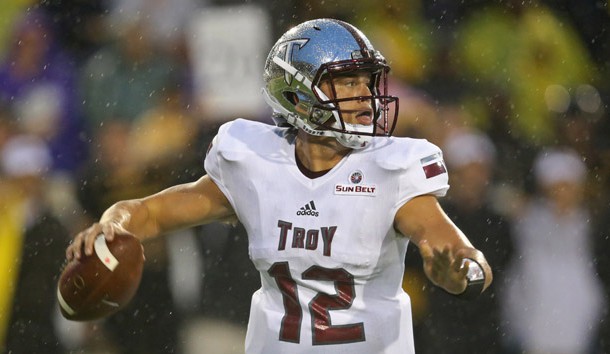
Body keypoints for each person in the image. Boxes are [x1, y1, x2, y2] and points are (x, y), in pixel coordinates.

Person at [66, 18, 493, 354]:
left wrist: (458, 273)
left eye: (367, 81)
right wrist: (112, 225)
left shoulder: (391, 168)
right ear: (296, 95)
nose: (365, 95)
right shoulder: (255, 162)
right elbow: (150, 213)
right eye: (348, 82)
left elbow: (459, 253)